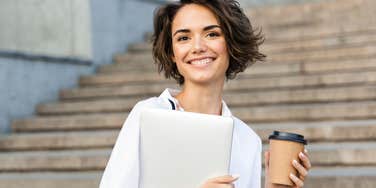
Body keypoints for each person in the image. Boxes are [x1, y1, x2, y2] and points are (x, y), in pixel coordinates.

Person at [100, 0, 311, 187]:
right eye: (184, 38)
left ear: (231, 43)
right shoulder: (147, 115)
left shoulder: (247, 140)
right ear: (172, 53)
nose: (198, 47)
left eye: (212, 34)